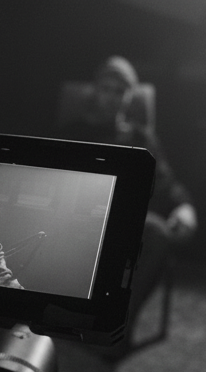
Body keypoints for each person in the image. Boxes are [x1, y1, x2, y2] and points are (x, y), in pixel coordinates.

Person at [57, 56, 197, 353]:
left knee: (159, 233)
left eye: (119, 91)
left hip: (128, 222)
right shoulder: (74, 132)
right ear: (95, 92)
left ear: (129, 97)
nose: (110, 97)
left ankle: (113, 327)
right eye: (105, 89)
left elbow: (167, 184)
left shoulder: (141, 137)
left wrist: (184, 207)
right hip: (80, 218)